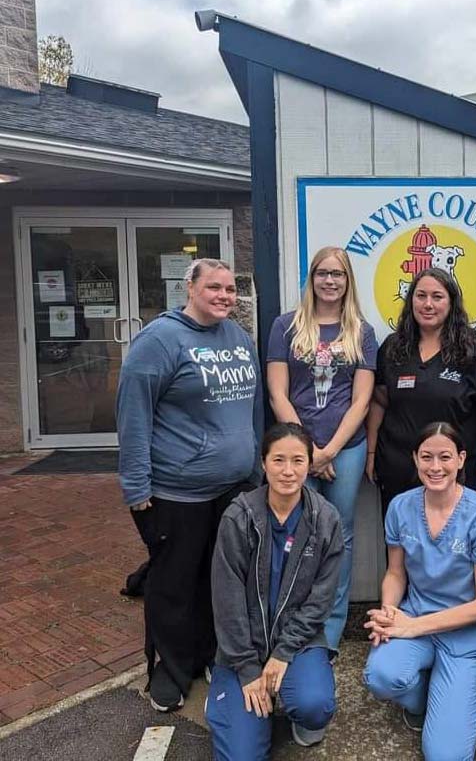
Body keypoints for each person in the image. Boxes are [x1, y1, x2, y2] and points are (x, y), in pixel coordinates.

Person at [116, 258, 264, 712]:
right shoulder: (159, 341)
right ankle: (171, 670)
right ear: (191, 289)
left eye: (229, 289)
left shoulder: (238, 338)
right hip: (177, 492)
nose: (223, 296)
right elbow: (133, 416)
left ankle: (208, 655)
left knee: (219, 580)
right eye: (213, 288)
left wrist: (254, 464)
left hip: (234, 489)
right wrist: (137, 488)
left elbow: (251, 408)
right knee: (174, 583)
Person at [363, 422, 476, 761]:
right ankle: (433, 699)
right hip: (416, 615)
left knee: (444, 755)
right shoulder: (401, 506)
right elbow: (396, 573)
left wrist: (411, 627)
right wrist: (389, 612)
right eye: (426, 457)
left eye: (445, 457)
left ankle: (469, 692)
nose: (435, 467)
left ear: (461, 459)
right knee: (381, 676)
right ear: (415, 459)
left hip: (467, 634)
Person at [207, 422, 344, 759]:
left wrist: (283, 653)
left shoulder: (325, 519)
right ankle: (231, 700)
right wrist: (247, 668)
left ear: (310, 464)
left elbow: (321, 600)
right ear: (263, 463)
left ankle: (293, 702)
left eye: (298, 461)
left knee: (315, 705)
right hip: (244, 647)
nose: (288, 471)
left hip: (299, 642)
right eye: (278, 460)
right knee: (241, 756)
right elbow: (227, 599)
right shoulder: (238, 518)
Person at [266, 246, 377, 650]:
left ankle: (330, 629)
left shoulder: (362, 332)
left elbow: (361, 401)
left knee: (340, 535)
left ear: (348, 282)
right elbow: (277, 391)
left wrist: (329, 451)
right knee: (298, 533)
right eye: (322, 273)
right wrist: (308, 451)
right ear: (311, 278)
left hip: (345, 450)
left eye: (338, 274)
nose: (330, 281)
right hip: (298, 452)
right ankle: (296, 625)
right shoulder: (285, 326)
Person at [367, 267, 476, 517]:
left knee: (455, 546)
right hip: (398, 469)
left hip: (456, 474)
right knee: (401, 544)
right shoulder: (393, 347)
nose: (428, 304)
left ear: (452, 302)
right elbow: (379, 401)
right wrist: (371, 454)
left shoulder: (475, 348)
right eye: (421, 296)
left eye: (437, 297)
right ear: (410, 300)